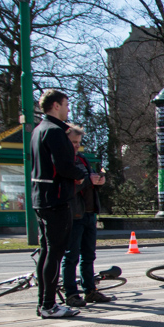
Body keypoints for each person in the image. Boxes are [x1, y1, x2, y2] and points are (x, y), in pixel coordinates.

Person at [30, 89, 86, 319]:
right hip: (55, 198)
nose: (67, 108)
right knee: (55, 253)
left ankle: (44, 303)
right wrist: (79, 173)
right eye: (65, 104)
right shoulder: (54, 131)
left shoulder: (38, 130)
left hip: (41, 198)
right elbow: (63, 166)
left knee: (46, 252)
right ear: (55, 106)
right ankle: (49, 305)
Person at [61, 125, 111, 307]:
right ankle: (71, 294)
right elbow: (67, 190)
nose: (76, 146)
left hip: (89, 214)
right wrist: (88, 181)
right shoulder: (64, 162)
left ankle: (90, 290)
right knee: (71, 256)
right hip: (74, 215)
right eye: (73, 142)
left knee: (89, 255)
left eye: (78, 143)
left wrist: (98, 182)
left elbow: (88, 184)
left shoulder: (82, 159)